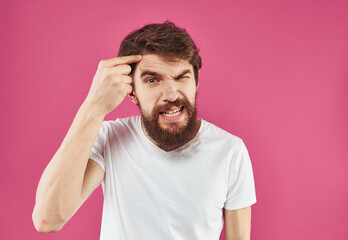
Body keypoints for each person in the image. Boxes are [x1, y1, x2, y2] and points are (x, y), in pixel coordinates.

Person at [32, 21, 257, 240]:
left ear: (196, 83)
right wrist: (94, 106)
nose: (171, 94)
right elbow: (47, 219)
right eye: (152, 80)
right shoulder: (110, 138)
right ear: (132, 92)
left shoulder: (230, 151)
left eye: (182, 77)